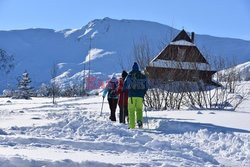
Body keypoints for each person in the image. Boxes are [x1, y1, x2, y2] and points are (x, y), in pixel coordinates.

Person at [123, 62, 148, 129]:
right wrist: (143, 93)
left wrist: (125, 90)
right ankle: (139, 122)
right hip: (140, 96)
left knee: (131, 110)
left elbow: (124, 85)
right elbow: (146, 86)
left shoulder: (129, 75)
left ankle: (132, 126)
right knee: (139, 109)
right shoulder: (142, 75)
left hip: (131, 96)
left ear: (132, 68)